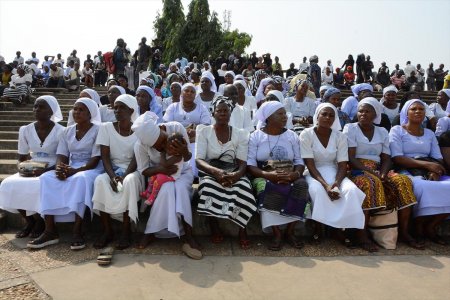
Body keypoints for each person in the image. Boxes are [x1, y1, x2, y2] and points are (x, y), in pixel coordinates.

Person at [343, 98, 421, 251]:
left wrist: (383, 173)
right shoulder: (350, 128)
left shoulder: (382, 131)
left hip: (380, 168)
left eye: (367, 111)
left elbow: (386, 158)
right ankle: (362, 235)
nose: (363, 114)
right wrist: (373, 173)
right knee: (370, 182)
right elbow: (351, 157)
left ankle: (404, 232)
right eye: (360, 111)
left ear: (375, 114)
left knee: (403, 181)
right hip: (357, 168)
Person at [27, 98, 103, 250]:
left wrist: (74, 171)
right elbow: (62, 156)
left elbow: (95, 160)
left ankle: (78, 230)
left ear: (90, 113)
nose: (76, 112)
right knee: (46, 178)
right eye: (75, 109)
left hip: (91, 168)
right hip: (71, 166)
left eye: (81, 110)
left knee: (80, 180)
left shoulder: (98, 130)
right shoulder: (67, 131)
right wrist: (60, 169)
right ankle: (50, 230)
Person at [132, 111, 202, 259]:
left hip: (183, 172)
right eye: (158, 147)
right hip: (161, 176)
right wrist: (161, 169)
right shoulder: (140, 145)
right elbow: (144, 170)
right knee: (166, 190)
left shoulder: (176, 128)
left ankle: (188, 234)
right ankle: (151, 231)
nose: (163, 147)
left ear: (162, 129)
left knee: (181, 189)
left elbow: (189, 156)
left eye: (164, 142)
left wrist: (184, 151)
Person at [247, 101, 309, 251]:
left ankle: (290, 231)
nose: (285, 117)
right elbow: (250, 165)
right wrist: (268, 175)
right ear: (268, 117)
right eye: (280, 114)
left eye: (284, 113)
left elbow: (299, 161)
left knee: (301, 185)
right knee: (265, 186)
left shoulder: (292, 136)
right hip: (265, 174)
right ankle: (276, 233)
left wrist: (296, 174)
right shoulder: (255, 136)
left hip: (289, 173)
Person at [195, 97, 256, 249]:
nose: (222, 113)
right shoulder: (204, 131)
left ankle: (242, 229)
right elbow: (199, 160)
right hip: (211, 170)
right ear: (213, 113)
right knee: (207, 187)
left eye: (226, 111)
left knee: (244, 189)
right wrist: (216, 173)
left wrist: (236, 176)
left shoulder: (241, 134)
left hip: (233, 170)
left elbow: (242, 163)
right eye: (219, 110)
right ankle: (214, 226)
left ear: (230, 114)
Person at [300, 103, 365, 243]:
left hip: (334, 172)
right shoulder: (306, 134)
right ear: (317, 116)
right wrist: (326, 186)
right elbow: (310, 165)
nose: (328, 117)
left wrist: (336, 183)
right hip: (313, 173)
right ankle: (318, 227)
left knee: (351, 190)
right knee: (317, 190)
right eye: (324, 114)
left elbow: (342, 165)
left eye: (331, 115)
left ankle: (340, 228)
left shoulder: (340, 136)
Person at [0, 96, 64, 239]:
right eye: (35, 106)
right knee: (8, 184)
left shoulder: (61, 131)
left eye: (41, 107)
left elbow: (62, 158)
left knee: (42, 183)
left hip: (52, 167)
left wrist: (45, 170)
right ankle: (30, 221)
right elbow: (22, 157)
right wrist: (22, 169)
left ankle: (41, 221)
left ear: (51, 111)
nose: (36, 109)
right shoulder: (25, 129)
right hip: (32, 165)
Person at [389, 99, 450, 245]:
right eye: (414, 109)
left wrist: (435, 170)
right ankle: (418, 225)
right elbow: (397, 158)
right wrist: (426, 165)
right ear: (406, 112)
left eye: (421, 109)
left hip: (429, 169)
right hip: (407, 169)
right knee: (422, 187)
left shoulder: (429, 133)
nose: (418, 112)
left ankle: (431, 226)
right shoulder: (397, 130)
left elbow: (438, 158)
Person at [91, 94, 142, 250]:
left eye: (122, 107)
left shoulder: (139, 130)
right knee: (100, 180)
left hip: (133, 171)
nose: (117, 110)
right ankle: (108, 231)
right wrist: (113, 177)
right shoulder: (106, 127)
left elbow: (136, 158)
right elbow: (104, 156)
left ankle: (126, 231)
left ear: (131, 110)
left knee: (130, 181)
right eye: (116, 107)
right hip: (113, 170)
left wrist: (124, 176)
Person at [141, 132, 184, 205]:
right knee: (153, 177)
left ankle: (152, 197)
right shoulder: (172, 152)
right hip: (166, 172)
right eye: (167, 148)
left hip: (172, 176)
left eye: (171, 149)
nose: (168, 151)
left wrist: (163, 154)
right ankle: (148, 192)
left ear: (178, 149)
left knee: (159, 179)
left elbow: (164, 164)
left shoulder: (178, 157)